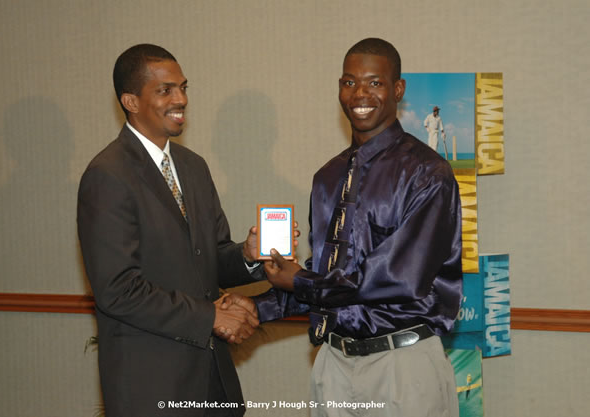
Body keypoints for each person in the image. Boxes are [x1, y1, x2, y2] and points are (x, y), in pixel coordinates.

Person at [252, 38, 463, 417]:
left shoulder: (428, 174)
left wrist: (300, 282)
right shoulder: (327, 177)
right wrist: (255, 309)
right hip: (334, 362)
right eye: (349, 82)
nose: (359, 93)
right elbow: (328, 278)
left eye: (374, 83)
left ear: (397, 89)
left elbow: (399, 277)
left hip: (403, 366)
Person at [77, 44, 263, 417]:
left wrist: (246, 255)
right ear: (130, 100)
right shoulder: (108, 175)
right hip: (152, 386)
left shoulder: (193, 167)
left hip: (212, 384)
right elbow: (117, 290)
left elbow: (209, 260)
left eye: (183, 87)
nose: (180, 99)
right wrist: (210, 317)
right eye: (165, 90)